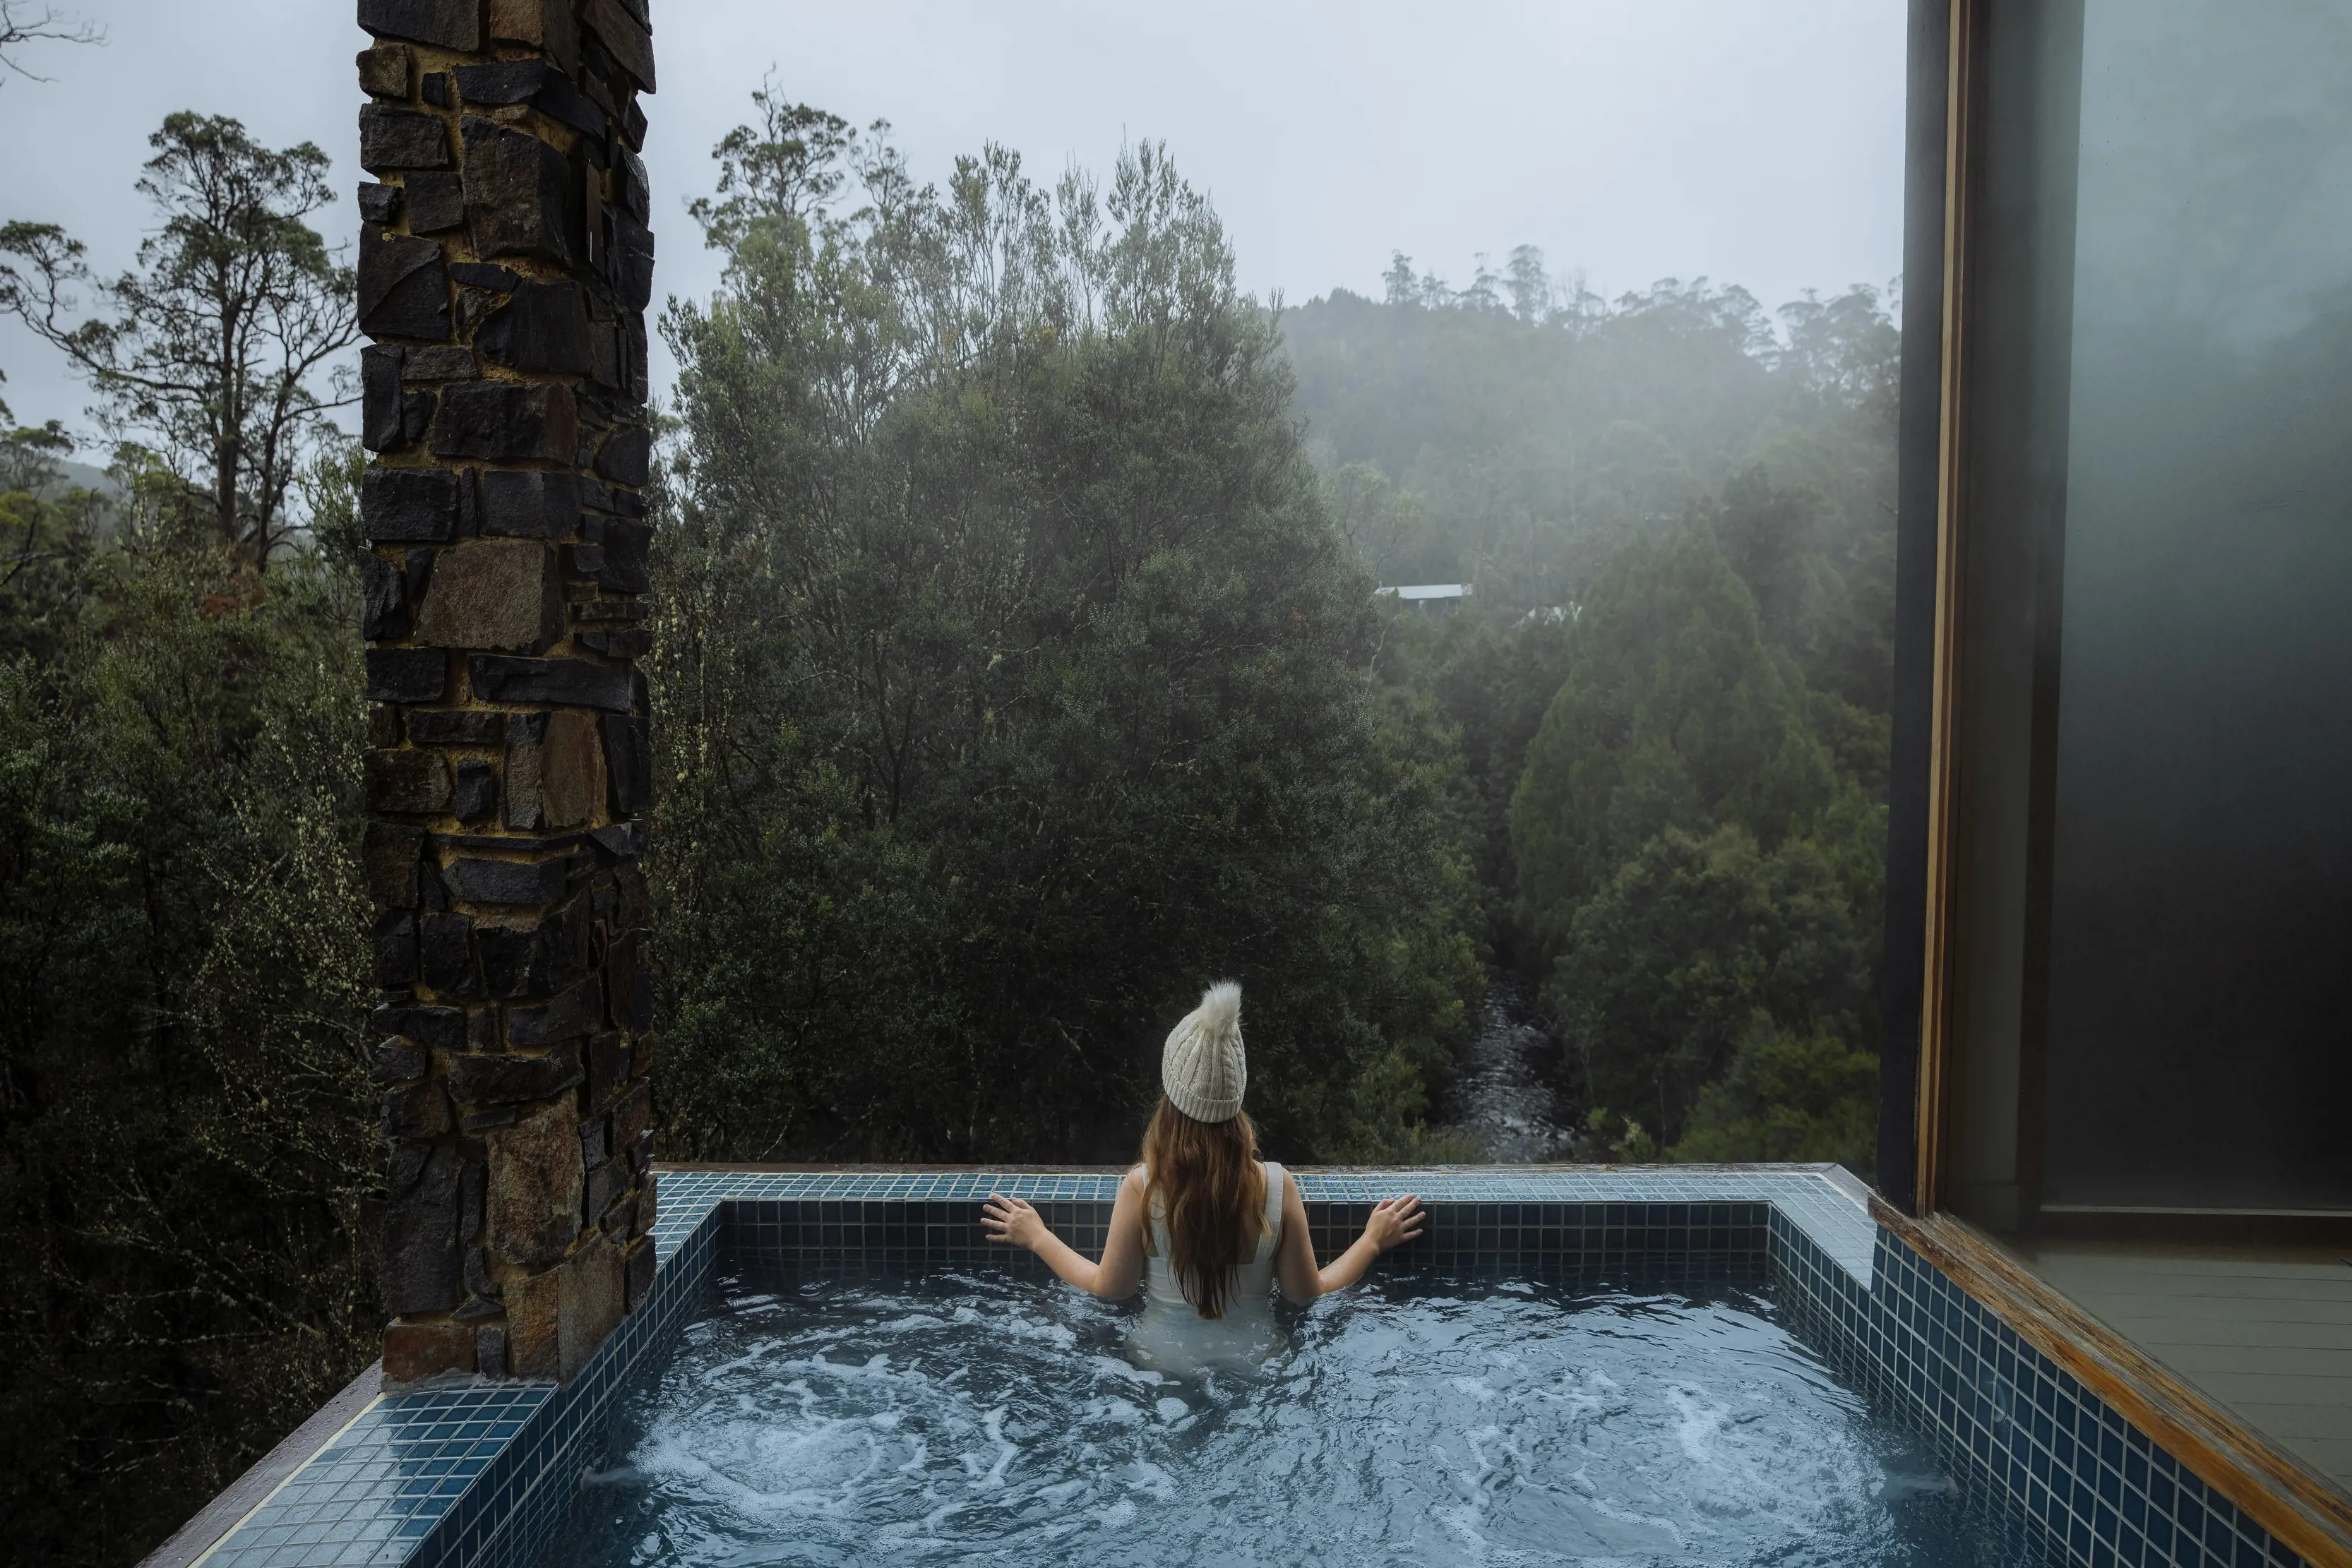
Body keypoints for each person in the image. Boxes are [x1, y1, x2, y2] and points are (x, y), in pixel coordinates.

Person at [981, 981, 1423, 1367]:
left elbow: (1109, 1290)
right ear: (1238, 1095)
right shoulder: (1276, 1186)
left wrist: (1037, 1236)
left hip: (1158, 1362)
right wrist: (1370, 1242)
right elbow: (1307, 1294)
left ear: (1170, 1098)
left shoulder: (1142, 1187)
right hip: (1259, 1364)